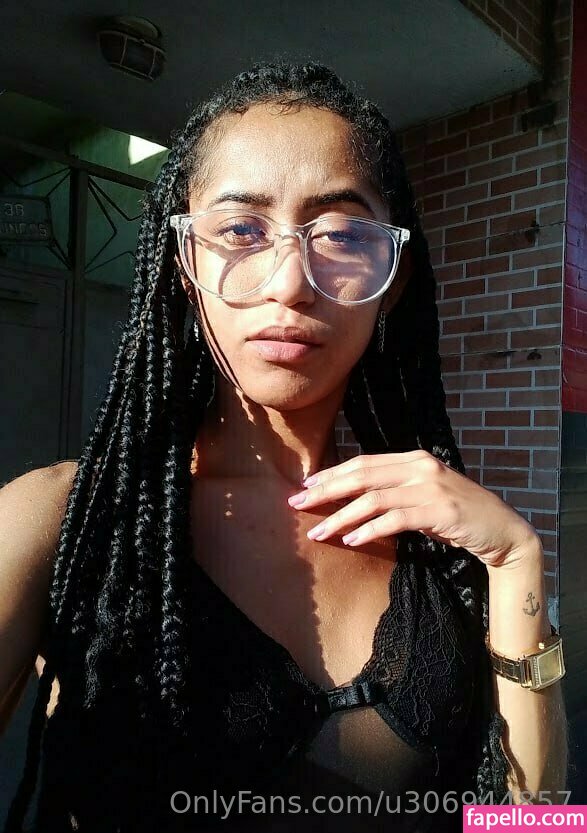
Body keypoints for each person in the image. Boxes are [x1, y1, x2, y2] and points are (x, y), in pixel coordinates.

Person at [0, 61, 567, 833]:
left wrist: (516, 561)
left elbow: (537, 823)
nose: (290, 281)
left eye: (340, 234)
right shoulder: (62, 521)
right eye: (240, 229)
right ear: (183, 263)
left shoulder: (445, 551)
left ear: (391, 277)